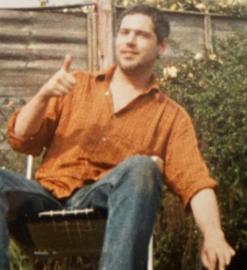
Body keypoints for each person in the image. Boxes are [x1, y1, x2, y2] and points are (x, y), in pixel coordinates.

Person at [0, 4, 235, 270]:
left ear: (161, 47)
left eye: (142, 35)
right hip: (43, 200)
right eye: (124, 32)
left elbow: (195, 181)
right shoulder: (77, 86)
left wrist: (214, 234)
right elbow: (21, 140)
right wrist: (43, 96)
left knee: (142, 167)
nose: (130, 41)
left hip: (107, 206)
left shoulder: (170, 116)